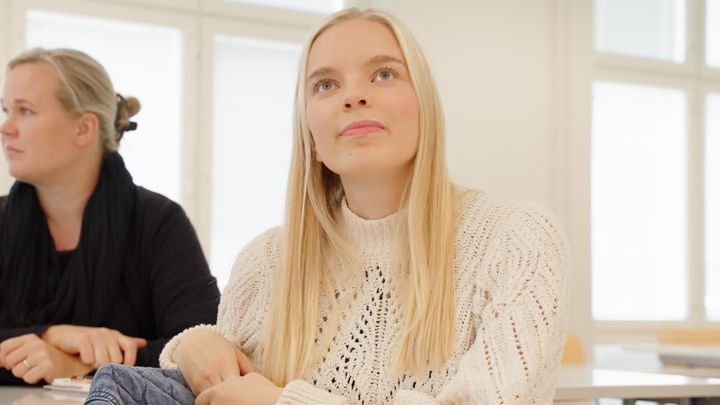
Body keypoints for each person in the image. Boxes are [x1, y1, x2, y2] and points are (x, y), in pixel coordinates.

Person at [86, 7, 570, 405]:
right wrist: (189, 344)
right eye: (325, 84)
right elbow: (219, 372)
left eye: (384, 74)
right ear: (311, 136)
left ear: (424, 106)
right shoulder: (265, 261)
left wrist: (281, 403)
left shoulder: (517, 238)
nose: (355, 96)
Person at [0, 48, 220, 386]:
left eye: (25, 112)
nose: (6, 127)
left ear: (84, 129)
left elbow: (201, 349)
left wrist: (73, 363)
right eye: (5, 110)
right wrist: (53, 335)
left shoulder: (157, 222)